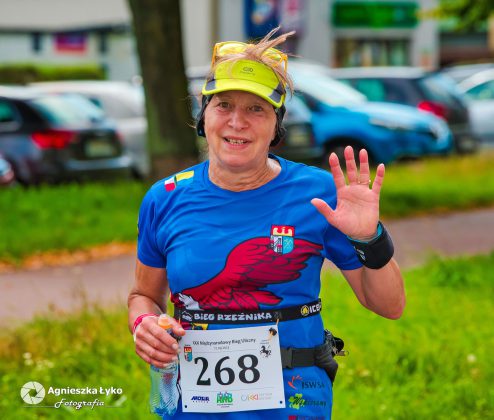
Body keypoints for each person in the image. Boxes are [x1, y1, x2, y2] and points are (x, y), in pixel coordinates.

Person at [128, 28, 405, 419]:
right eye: (223, 105)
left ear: (277, 124)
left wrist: (369, 238)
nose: (237, 122)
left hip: (295, 402)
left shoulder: (319, 194)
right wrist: (144, 323)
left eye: (256, 109)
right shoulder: (165, 198)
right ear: (204, 116)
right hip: (190, 405)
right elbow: (143, 295)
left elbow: (390, 305)